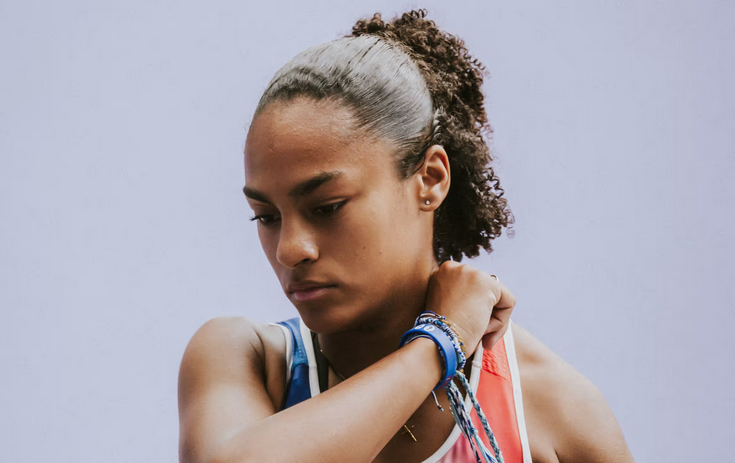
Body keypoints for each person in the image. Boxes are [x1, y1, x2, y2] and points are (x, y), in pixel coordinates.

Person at [178, 9, 634, 463]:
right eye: (266, 216)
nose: (290, 249)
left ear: (430, 179)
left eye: (327, 208)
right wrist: (440, 342)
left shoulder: (550, 407)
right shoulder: (246, 361)